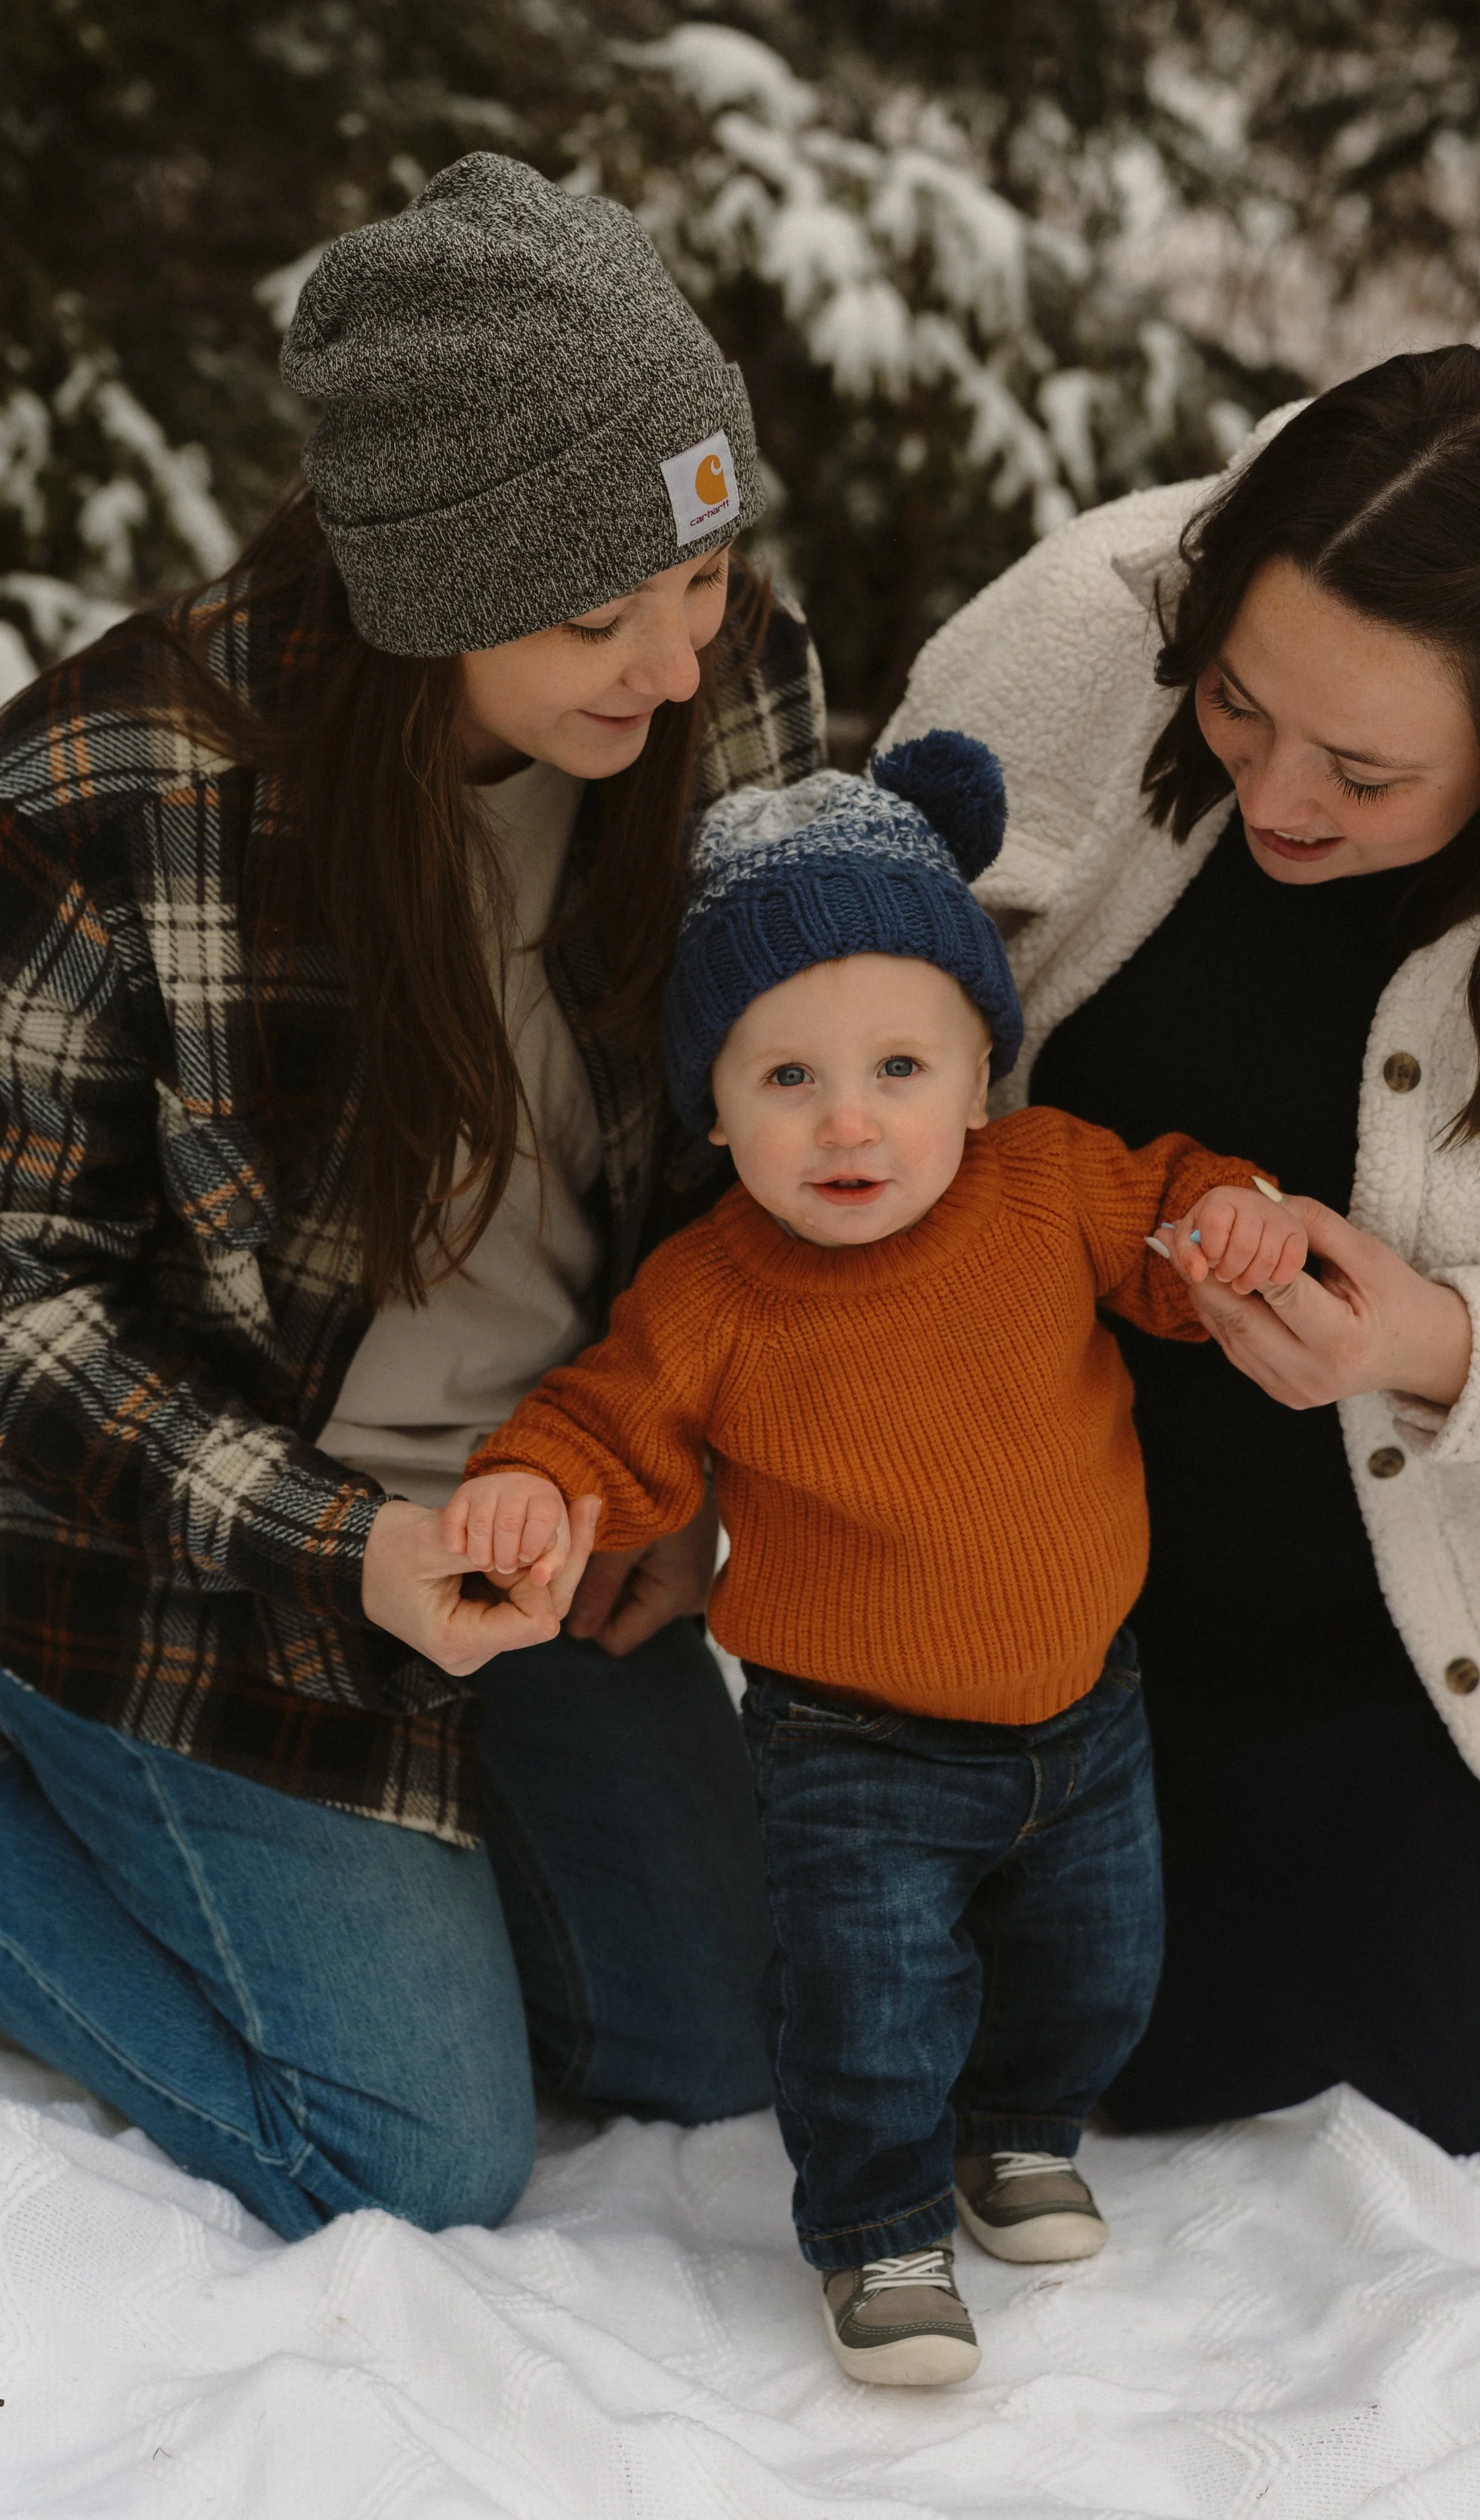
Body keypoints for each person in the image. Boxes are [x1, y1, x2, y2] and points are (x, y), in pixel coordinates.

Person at [0, 153, 826, 2238]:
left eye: (700, 574)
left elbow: (766, 1157)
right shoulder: (117, 788)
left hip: (540, 1504)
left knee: (727, 2032)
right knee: (407, 2155)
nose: (670, 665)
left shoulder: (729, 698)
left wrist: (669, 1480)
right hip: (182, 1541)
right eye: (591, 614)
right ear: (424, 588)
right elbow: (17, 1288)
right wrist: (342, 1544)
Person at [882, 343, 1480, 2171]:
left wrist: (1444, 1340)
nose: (1276, 794)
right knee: (952, 2052)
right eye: (1238, 706)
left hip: (1465, 1670)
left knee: (1431, 2157)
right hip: (1042, 1605)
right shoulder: (1085, 621)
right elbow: (826, 990)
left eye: (1366, 769)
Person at [430, 730, 1306, 2384]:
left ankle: (1023, 2130)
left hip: (1084, 1704)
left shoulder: (1049, 1186)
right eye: (787, 1080)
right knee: (869, 2006)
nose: (850, 1123)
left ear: (979, 1074)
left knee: (1095, 1963)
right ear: (715, 1109)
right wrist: (533, 1493)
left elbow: (1177, 1228)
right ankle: (879, 2228)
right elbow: (603, 1425)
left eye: (899, 1070)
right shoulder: (715, 1293)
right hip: (856, 1744)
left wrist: (1230, 1219)